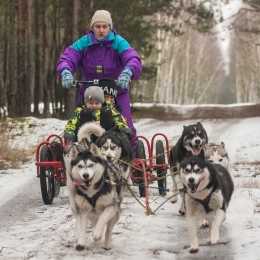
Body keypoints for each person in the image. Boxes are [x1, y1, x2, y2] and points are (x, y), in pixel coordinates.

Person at [57, 10, 142, 139]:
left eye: (105, 26)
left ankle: (128, 156)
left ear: (110, 27)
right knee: (79, 124)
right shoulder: (83, 43)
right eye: (98, 26)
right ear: (92, 28)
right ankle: (75, 152)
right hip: (89, 95)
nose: (101, 30)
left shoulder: (119, 42)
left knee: (126, 128)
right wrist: (65, 72)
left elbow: (133, 58)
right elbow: (67, 59)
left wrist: (128, 71)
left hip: (116, 94)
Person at [63, 79, 132, 144]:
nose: (94, 106)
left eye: (97, 103)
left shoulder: (110, 109)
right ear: (86, 103)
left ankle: (108, 142)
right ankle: (83, 143)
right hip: (85, 136)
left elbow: (119, 120)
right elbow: (71, 124)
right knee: (85, 112)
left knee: (106, 111)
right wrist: (69, 135)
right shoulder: (79, 111)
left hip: (106, 137)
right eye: (91, 103)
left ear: (101, 102)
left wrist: (125, 131)